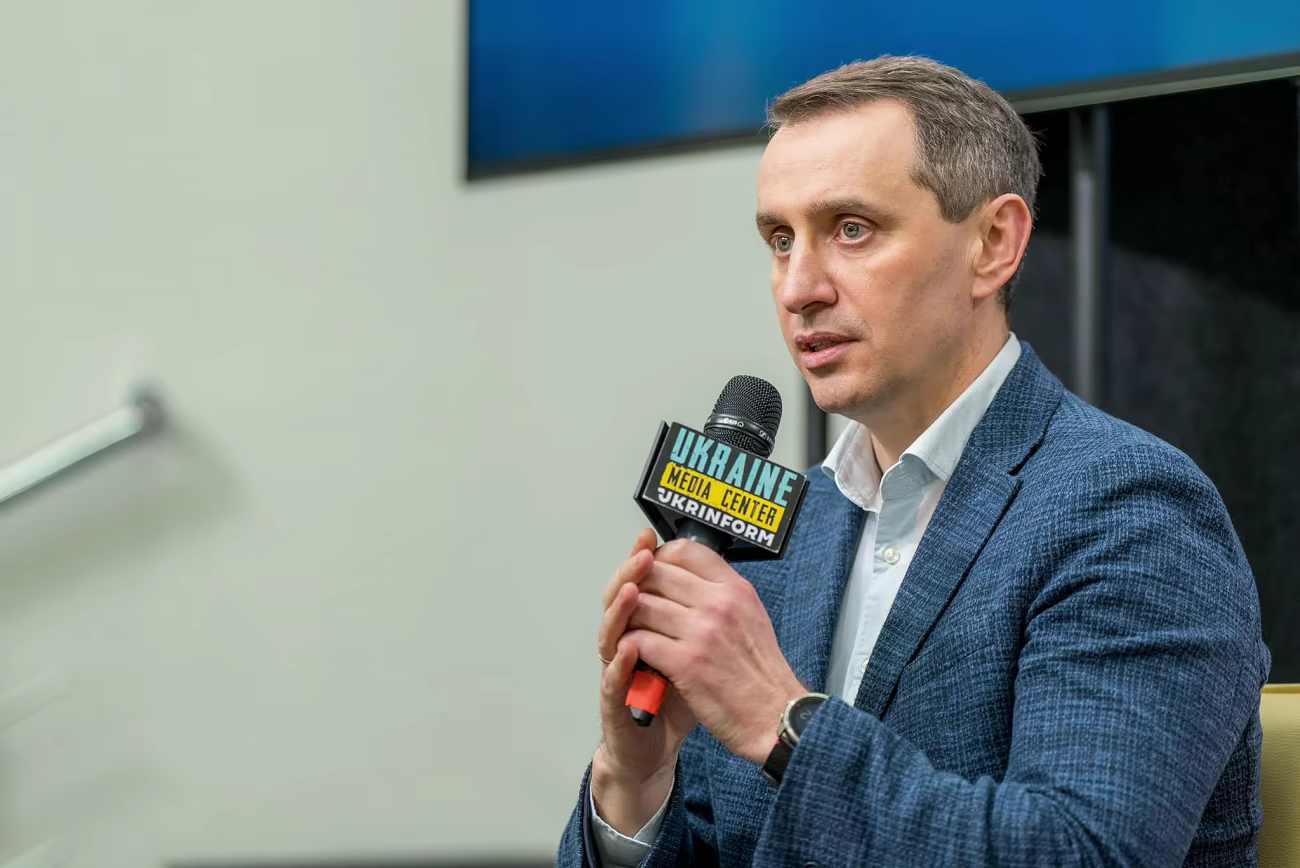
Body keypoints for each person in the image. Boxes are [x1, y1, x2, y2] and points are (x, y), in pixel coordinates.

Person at [557, 56, 1269, 867]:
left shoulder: (1131, 512)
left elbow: (1081, 853)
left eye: (851, 229)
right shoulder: (780, 541)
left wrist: (779, 721)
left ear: (993, 244)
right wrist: (635, 783)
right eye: (780, 240)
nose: (798, 288)